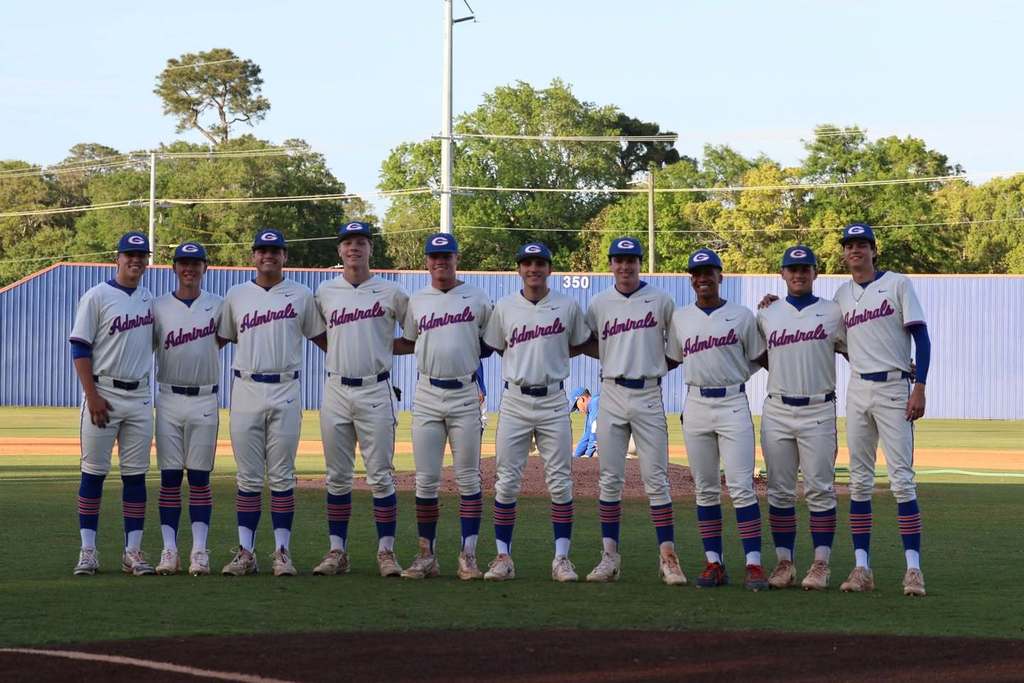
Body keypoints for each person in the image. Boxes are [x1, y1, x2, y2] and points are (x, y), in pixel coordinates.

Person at [481, 242, 591, 582]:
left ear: (549, 269)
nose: (533, 269)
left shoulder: (567, 305)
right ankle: (503, 557)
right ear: (519, 269)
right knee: (506, 483)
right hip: (515, 399)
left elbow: (577, 343)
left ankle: (561, 559)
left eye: (540, 263)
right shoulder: (505, 307)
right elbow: (496, 345)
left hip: (553, 399)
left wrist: (549, 357)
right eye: (527, 263)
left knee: (560, 482)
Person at [217, 229, 325, 577]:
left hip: (285, 387)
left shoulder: (301, 294)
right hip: (246, 386)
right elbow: (218, 339)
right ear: (253, 256)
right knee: (248, 477)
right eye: (262, 250)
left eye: (275, 250)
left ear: (284, 256)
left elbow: (324, 339)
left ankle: (282, 552)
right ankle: (245, 552)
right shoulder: (236, 295)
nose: (268, 255)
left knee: (282, 476)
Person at [580, 236, 686, 586]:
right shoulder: (599, 302)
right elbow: (586, 341)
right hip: (611, 392)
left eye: (631, 260)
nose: (625, 266)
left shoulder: (661, 300)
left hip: (648, 393)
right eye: (619, 260)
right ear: (611, 264)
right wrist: (615, 355)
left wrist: (651, 365)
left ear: (640, 263)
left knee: (657, 480)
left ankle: (668, 558)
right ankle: (609, 557)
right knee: (610, 479)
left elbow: (677, 348)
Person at [834, 224, 930, 596]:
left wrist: (919, 386)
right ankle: (862, 568)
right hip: (858, 387)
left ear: (874, 250)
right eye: (849, 245)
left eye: (862, 244)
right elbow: (840, 342)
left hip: (894, 386)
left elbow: (921, 337)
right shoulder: (842, 295)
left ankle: (913, 570)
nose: (855, 250)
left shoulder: (898, 284)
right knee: (859, 481)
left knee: (902, 480)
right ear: (844, 253)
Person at [666, 248, 768, 591]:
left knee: (741, 487)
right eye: (697, 274)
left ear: (720, 276)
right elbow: (671, 359)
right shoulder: (681, 318)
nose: (703, 278)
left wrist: (739, 373)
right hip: (696, 402)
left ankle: (753, 564)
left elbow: (760, 357)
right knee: (706, 488)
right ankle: (714, 562)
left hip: (732, 402)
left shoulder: (741, 316)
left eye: (708, 272)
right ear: (691, 280)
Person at [311, 221, 407, 578]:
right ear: (339, 250)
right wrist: (340, 350)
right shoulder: (325, 291)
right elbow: (317, 332)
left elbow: (414, 336)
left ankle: (386, 552)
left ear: (370, 249)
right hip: (337, 387)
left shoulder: (391, 292)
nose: (354, 248)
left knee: (380, 476)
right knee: (337, 477)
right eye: (348, 242)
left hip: (375, 388)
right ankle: (337, 551)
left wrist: (380, 349)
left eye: (361, 242)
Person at [394, 233, 492, 580]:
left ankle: (468, 555)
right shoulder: (417, 301)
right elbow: (409, 341)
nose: (440, 262)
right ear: (426, 261)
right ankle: (426, 555)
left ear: (456, 259)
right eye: (434, 256)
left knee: (468, 479)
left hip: (464, 392)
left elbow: (489, 344)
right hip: (427, 392)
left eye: (446, 256)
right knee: (425, 480)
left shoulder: (477, 297)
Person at [756, 245, 845, 590]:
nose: (798, 274)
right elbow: (758, 354)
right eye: (792, 268)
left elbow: (857, 350)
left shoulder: (833, 311)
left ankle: (821, 563)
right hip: (778, 407)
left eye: (805, 268)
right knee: (779, 492)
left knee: (820, 490)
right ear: (782, 273)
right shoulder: (767, 313)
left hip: (818, 407)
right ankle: (785, 562)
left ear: (815, 273)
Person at [70, 231, 156, 576]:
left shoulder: (150, 300)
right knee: (93, 474)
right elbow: (80, 348)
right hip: (103, 392)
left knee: (135, 477)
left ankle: (132, 552)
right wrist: (92, 395)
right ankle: (88, 551)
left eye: (141, 256)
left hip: (139, 396)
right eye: (129, 255)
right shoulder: (97, 296)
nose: (135, 260)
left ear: (147, 261)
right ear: (116, 259)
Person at [151, 242, 224, 576]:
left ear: (205, 267)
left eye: (195, 263)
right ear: (174, 267)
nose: (189, 268)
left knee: (199, 478)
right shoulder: (158, 307)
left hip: (205, 397)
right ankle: (169, 550)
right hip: (169, 396)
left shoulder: (219, 306)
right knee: (169, 478)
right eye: (183, 263)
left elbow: (227, 338)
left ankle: (199, 550)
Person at [570, 387, 598, 458]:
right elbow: (587, 436)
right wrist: (576, 456)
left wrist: (588, 453)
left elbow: (595, 429)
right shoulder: (590, 411)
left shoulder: (595, 402)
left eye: (577, 406)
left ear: (582, 399)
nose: (578, 410)